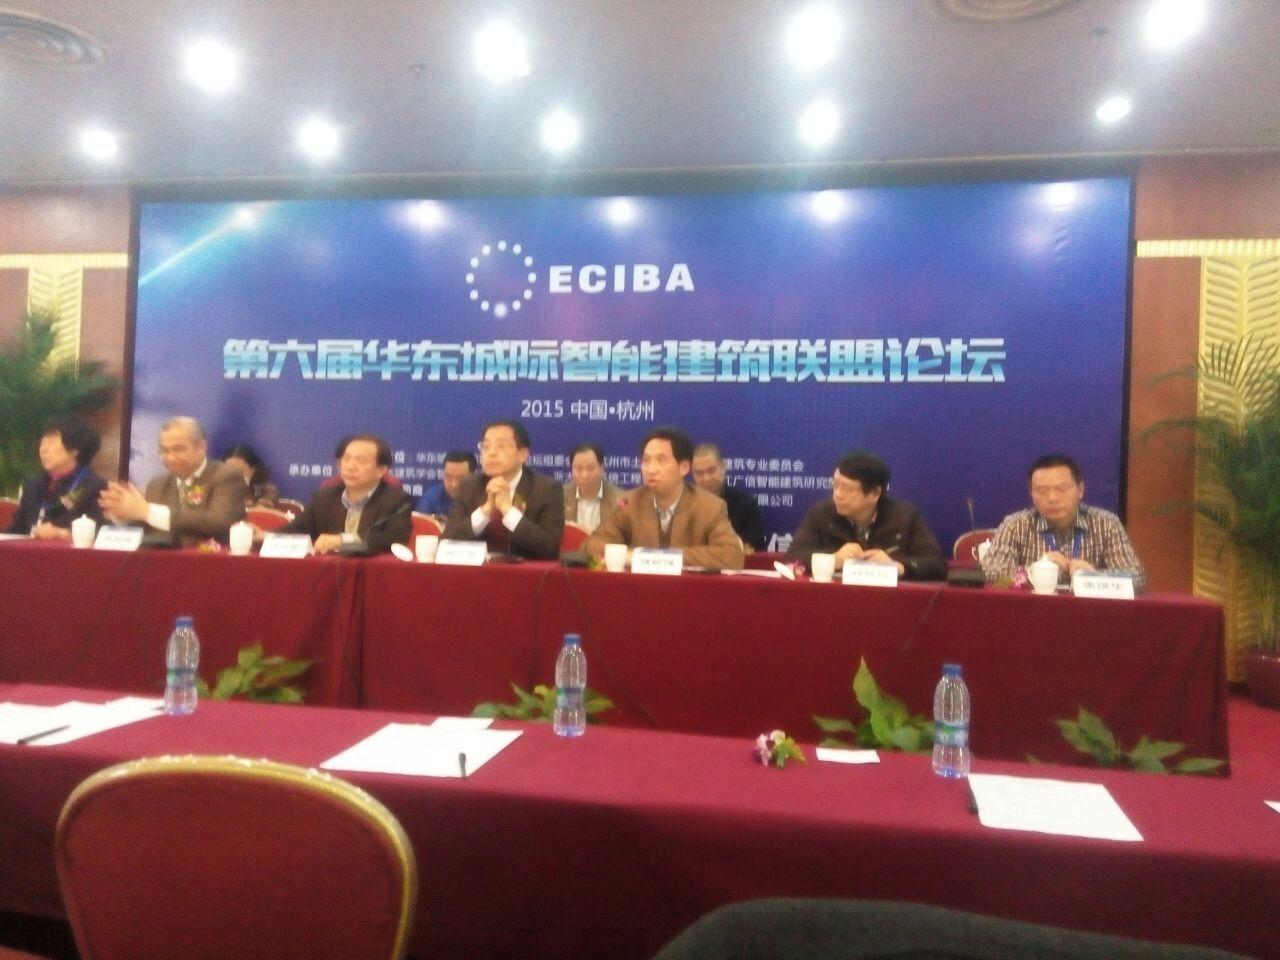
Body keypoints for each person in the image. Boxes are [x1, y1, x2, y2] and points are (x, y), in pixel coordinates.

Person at [585, 427, 744, 570]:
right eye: (646, 461)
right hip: (640, 589)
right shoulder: (629, 502)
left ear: (684, 468)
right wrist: (632, 555)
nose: (651, 469)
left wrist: (664, 557)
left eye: (661, 460)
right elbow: (590, 546)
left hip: (689, 590)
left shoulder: (709, 506)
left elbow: (732, 555)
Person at [982, 453, 1146, 591]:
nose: (1052, 498)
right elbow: (989, 575)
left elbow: (1137, 579)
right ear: (1032, 495)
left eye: (1061, 489)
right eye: (1042, 491)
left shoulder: (1106, 523)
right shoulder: (1015, 524)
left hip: (1089, 612)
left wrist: (1095, 576)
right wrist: (1035, 570)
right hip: (1032, 611)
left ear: (1080, 490)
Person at [787, 451, 946, 580]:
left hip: (888, 600)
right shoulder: (821, 513)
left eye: (848, 489)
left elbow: (936, 565)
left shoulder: (905, 517)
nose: (838, 495)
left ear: (875, 493)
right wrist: (834, 559)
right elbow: (792, 557)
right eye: (836, 485)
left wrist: (898, 566)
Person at [99, 416, 246, 545]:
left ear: (201, 447)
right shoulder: (157, 484)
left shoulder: (226, 476)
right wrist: (124, 514)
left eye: (178, 449)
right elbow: (148, 526)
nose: (170, 457)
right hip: (163, 561)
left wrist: (147, 511)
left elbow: (219, 523)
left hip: (212, 561)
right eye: (164, 451)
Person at [442, 420, 564, 559]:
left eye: (501, 446)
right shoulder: (469, 486)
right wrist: (485, 511)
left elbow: (549, 546)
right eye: (486, 447)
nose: (491, 453)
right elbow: (447, 539)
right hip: (478, 570)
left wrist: (507, 510)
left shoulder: (546, 489)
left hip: (526, 571)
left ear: (523, 455)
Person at [280, 433, 414, 555]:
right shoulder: (324, 497)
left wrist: (342, 541)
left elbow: (392, 539)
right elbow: (296, 529)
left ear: (381, 470)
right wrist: (269, 536)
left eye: (361, 461)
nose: (350, 466)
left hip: (373, 571)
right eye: (346, 458)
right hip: (327, 570)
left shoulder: (396, 501)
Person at [8, 417, 108, 538]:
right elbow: (16, 530)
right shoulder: (33, 486)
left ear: (75, 449)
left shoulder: (97, 488)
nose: (43, 449)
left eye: (51, 442)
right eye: (42, 443)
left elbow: (102, 534)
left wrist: (64, 534)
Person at [690, 442, 765, 550]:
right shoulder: (684, 504)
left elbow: (754, 545)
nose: (706, 478)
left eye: (711, 470)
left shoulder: (746, 504)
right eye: (699, 473)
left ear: (723, 467)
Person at [562, 442, 623, 535]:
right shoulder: (560, 496)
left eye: (590, 469)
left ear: (602, 468)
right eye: (578, 469)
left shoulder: (619, 499)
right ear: (571, 470)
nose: (585, 475)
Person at [418, 450, 476, 516]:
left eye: (460, 479)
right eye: (448, 477)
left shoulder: (482, 498)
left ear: (473, 477)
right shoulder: (432, 498)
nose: (454, 485)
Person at [221, 443, 279, 508]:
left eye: (240, 471)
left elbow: (267, 501)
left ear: (253, 470)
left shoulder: (265, 491)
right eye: (229, 472)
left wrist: (261, 505)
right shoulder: (217, 493)